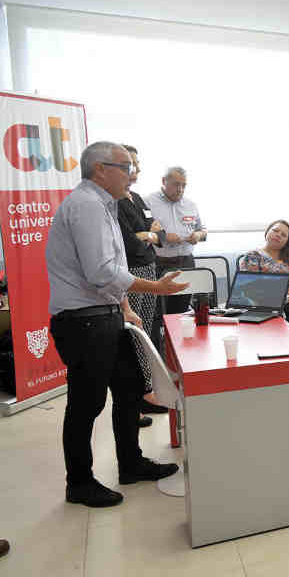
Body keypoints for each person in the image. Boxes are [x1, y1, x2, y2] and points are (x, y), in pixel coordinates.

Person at [47, 142, 188, 508]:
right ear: (100, 169)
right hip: (84, 321)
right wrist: (154, 288)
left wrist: (124, 306)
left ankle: (131, 462)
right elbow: (101, 272)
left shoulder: (106, 204)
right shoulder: (87, 206)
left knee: (129, 390)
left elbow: (113, 266)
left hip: (107, 314)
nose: (133, 174)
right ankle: (79, 483)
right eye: (126, 167)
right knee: (86, 404)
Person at [116, 145, 168, 425]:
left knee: (146, 331)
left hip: (149, 267)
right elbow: (130, 242)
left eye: (137, 163)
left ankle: (146, 389)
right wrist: (149, 234)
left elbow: (159, 234)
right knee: (135, 333)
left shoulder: (135, 197)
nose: (136, 169)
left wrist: (148, 235)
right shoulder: (114, 201)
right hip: (131, 272)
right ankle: (140, 394)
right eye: (131, 164)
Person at [145, 166, 207, 316]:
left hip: (185, 263)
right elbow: (141, 231)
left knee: (181, 313)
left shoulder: (191, 205)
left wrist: (198, 235)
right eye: (176, 184)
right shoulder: (147, 202)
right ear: (164, 181)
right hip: (159, 263)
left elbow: (203, 231)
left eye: (184, 185)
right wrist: (163, 237)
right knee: (157, 312)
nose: (180, 189)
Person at [240, 220, 289, 334]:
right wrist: (282, 289)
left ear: (287, 241)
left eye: (283, 235)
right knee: (271, 334)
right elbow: (250, 284)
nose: (278, 235)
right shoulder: (253, 256)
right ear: (267, 232)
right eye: (275, 230)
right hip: (264, 304)